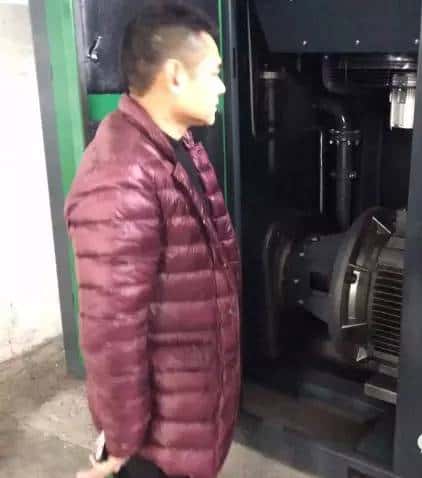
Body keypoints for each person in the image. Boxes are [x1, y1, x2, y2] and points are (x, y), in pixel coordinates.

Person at [64, 3, 241, 477]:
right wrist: (120, 442)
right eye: (214, 73)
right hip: (154, 449)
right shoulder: (122, 176)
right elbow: (112, 330)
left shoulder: (179, 147)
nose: (222, 86)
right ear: (175, 76)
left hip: (187, 422)